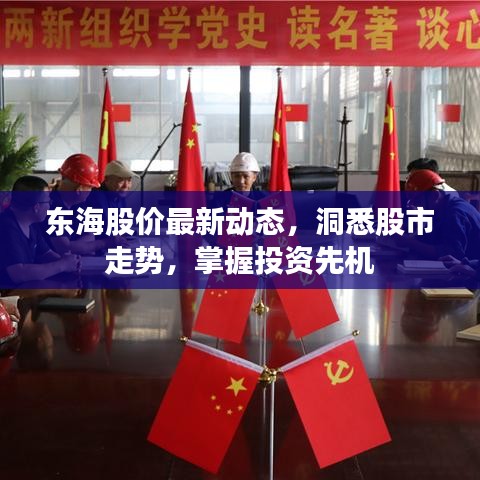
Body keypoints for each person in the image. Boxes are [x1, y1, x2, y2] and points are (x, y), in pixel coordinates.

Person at [0, 175, 78, 285]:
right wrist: (62, 265)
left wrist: (69, 262)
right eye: (48, 202)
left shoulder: (32, 224)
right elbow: (19, 273)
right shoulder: (6, 227)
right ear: (36, 207)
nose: (49, 206)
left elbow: (46, 254)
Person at [47, 153, 119, 255]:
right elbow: (64, 248)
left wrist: (81, 247)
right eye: (90, 187)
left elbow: (90, 235)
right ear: (79, 189)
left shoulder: (77, 205)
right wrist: (105, 243)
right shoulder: (52, 208)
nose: (91, 191)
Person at [403, 169, 480, 259]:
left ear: (434, 195)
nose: (414, 206)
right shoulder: (440, 209)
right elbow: (430, 240)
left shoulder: (454, 214)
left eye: (417, 201)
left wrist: (411, 243)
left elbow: (452, 254)